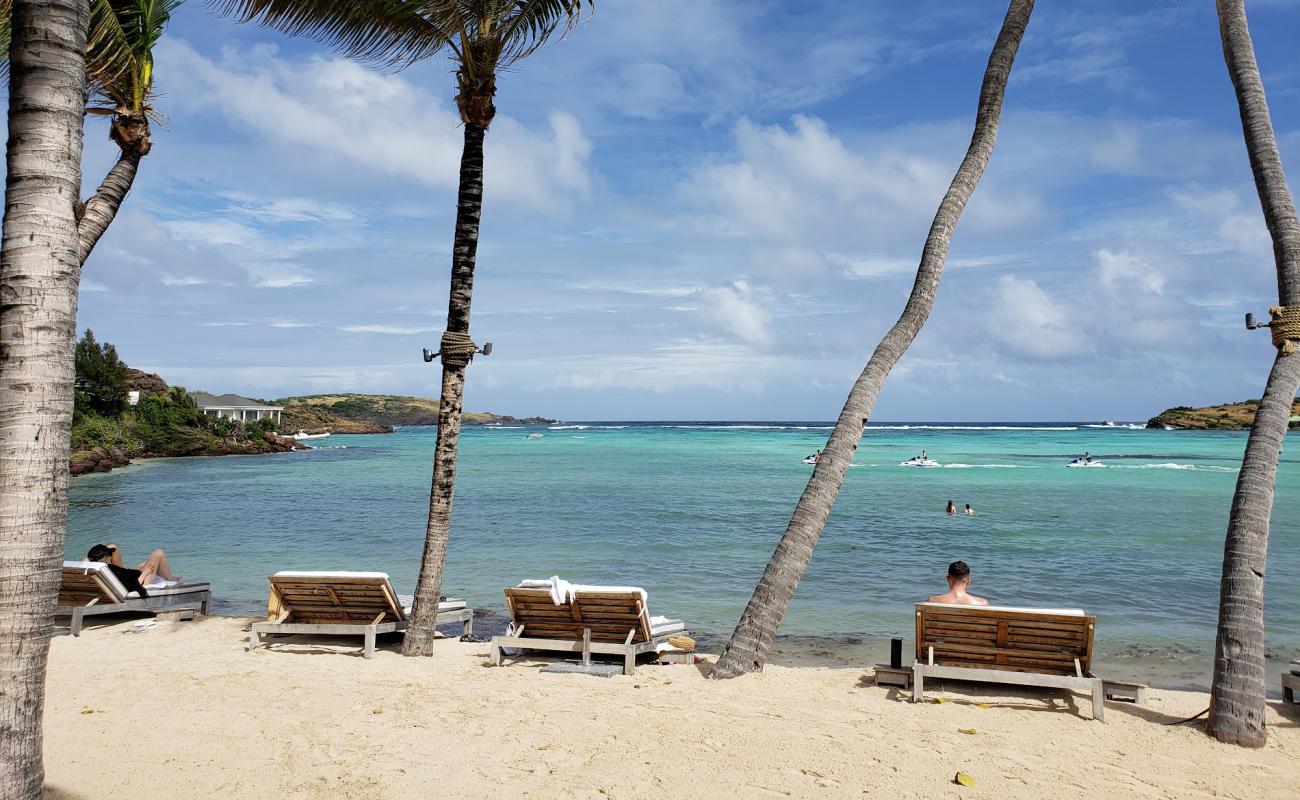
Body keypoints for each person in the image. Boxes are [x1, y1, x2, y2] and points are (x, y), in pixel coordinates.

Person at [86, 543, 180, 597]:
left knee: (146, 563)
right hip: (142, 581)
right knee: (158, 552)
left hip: (129, 577)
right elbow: (133, 586)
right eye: (109, 556)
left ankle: (167, 577)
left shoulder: (96, 569)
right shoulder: (111, 569)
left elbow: (124, 577)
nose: (111, 557)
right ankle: (169, 578)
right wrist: (145, 573)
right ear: (104, 558)